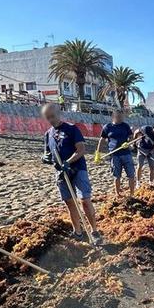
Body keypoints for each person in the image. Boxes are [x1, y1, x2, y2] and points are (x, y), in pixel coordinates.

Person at [41, 103, 101, 244]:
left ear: (59, 114)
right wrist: (45, 157)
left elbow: (81, 150)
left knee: (85, 201)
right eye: (48, 117)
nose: (50, 120)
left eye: (52, 116)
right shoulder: (48, 134)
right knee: (69, 202)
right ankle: (78, 232)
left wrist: (68, 162)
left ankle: (94, 231)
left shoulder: (72, 129)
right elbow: (48, 153)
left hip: (78, 169)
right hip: (61, 174)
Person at [95, 110, 135, 196]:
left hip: (126, 154)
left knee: (131, 175)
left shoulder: (125, 126)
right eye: (118, 117)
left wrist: (129, 143)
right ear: (113, 117)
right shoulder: (107, 127)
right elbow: (101, 140)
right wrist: (98, 153)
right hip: (114, 155)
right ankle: (118, 194)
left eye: (122, 117)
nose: (121, 119)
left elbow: (131, 137)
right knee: (117, 176)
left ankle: (132, 194)